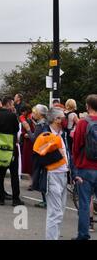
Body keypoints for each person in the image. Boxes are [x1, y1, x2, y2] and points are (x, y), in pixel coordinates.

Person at [34, 108, 72, 240]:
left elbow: (67, 153)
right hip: (52, 175)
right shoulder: (45, 134)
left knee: (60, 212)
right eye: (62, 117)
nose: (65, 119)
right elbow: (38, 158)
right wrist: (57, 155)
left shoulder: (62, 134)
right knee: (54, 213)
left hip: (63, 175)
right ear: (56, 120)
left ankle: (54, 236)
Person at [0, 96, 25, 207]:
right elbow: (16, 129)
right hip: (11, 146)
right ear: (9, 104)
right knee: (14, 174)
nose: (13, 106)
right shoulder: (12, 116)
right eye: (13, 104)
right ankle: (15, 199)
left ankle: (1, 198)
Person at [72, 94, 97, 240]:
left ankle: (83, 235)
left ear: (87, 106)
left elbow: (76, 146)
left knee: (84, 203)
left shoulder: (83, 123)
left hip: (85, 168)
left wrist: (75, 166)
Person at [25, 104, 49, 206]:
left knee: (40, 175)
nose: (33, 114)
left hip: (40, 153)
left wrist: (28, 130)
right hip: (47, 152)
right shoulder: (47, 123)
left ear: (39, 114)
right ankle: (46, 200)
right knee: (45, 175)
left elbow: (35, 139)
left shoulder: (40, 125)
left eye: (34, 112)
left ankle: (45, 200)